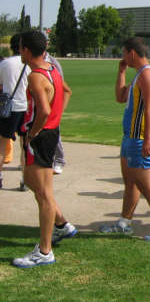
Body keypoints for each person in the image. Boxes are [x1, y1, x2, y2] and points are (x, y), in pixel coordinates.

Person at [99, 37, 150, 243]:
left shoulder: (148, 76)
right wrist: (121, 72)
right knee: (131, 183)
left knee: (146, 185)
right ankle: (124, 224)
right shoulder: (138, 76)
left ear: (132, 53)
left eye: (124, 53)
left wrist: (147, 140)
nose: (122, 57)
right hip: (130, 137)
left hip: (140, 138)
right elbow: (119, 97)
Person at [12, 30, 76, 268]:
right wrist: (52, 121)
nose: (19, 51)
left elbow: (44, 111)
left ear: (27, 50)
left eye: (20, 47)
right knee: (36, 186)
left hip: (41, 137)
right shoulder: (52, 70)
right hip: (49, 134)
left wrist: (33, 132)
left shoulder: (36, 77)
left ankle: (45, 250)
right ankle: (61, 225)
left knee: (44, 193)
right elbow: (65, 94)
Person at [0, 34, 29, 189]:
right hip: (24, 107)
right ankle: (24, 179)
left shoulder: (4, 64)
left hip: (8, 108)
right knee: (25, 145)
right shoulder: (28, 64)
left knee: (2, 145)